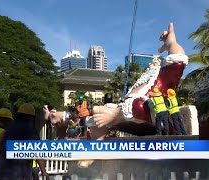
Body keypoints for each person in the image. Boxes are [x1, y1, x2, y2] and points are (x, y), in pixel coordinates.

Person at [78, 22, 188, 168]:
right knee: (96, 118)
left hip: (156, 118)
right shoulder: (142, 82)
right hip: (130, 118)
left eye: (156, 63)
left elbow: (179, 60)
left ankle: (113, 114)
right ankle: (95, 150)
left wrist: (171, 43)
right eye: (151, 63)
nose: (152, 65)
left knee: (139, 104)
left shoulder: (163, 78)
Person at [0, 103, 49, 180]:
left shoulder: (9, 129)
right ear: (31, 117)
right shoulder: (31, 131)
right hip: (19, 174)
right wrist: (44, 171)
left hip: (1, 172)